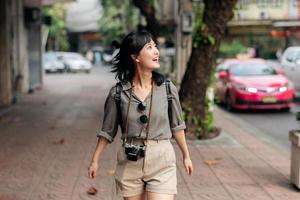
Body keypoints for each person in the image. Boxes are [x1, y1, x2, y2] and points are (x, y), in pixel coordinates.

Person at [88, 30, 193, 200]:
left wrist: (186, 156)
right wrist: (95, 160)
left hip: (162, 159)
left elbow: (177, 125)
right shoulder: (118, 92)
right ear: (135, 57)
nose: (156, 51)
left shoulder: (167, 88)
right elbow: (107, 131)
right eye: (150, 47)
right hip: (130, 161)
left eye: (155, 47)